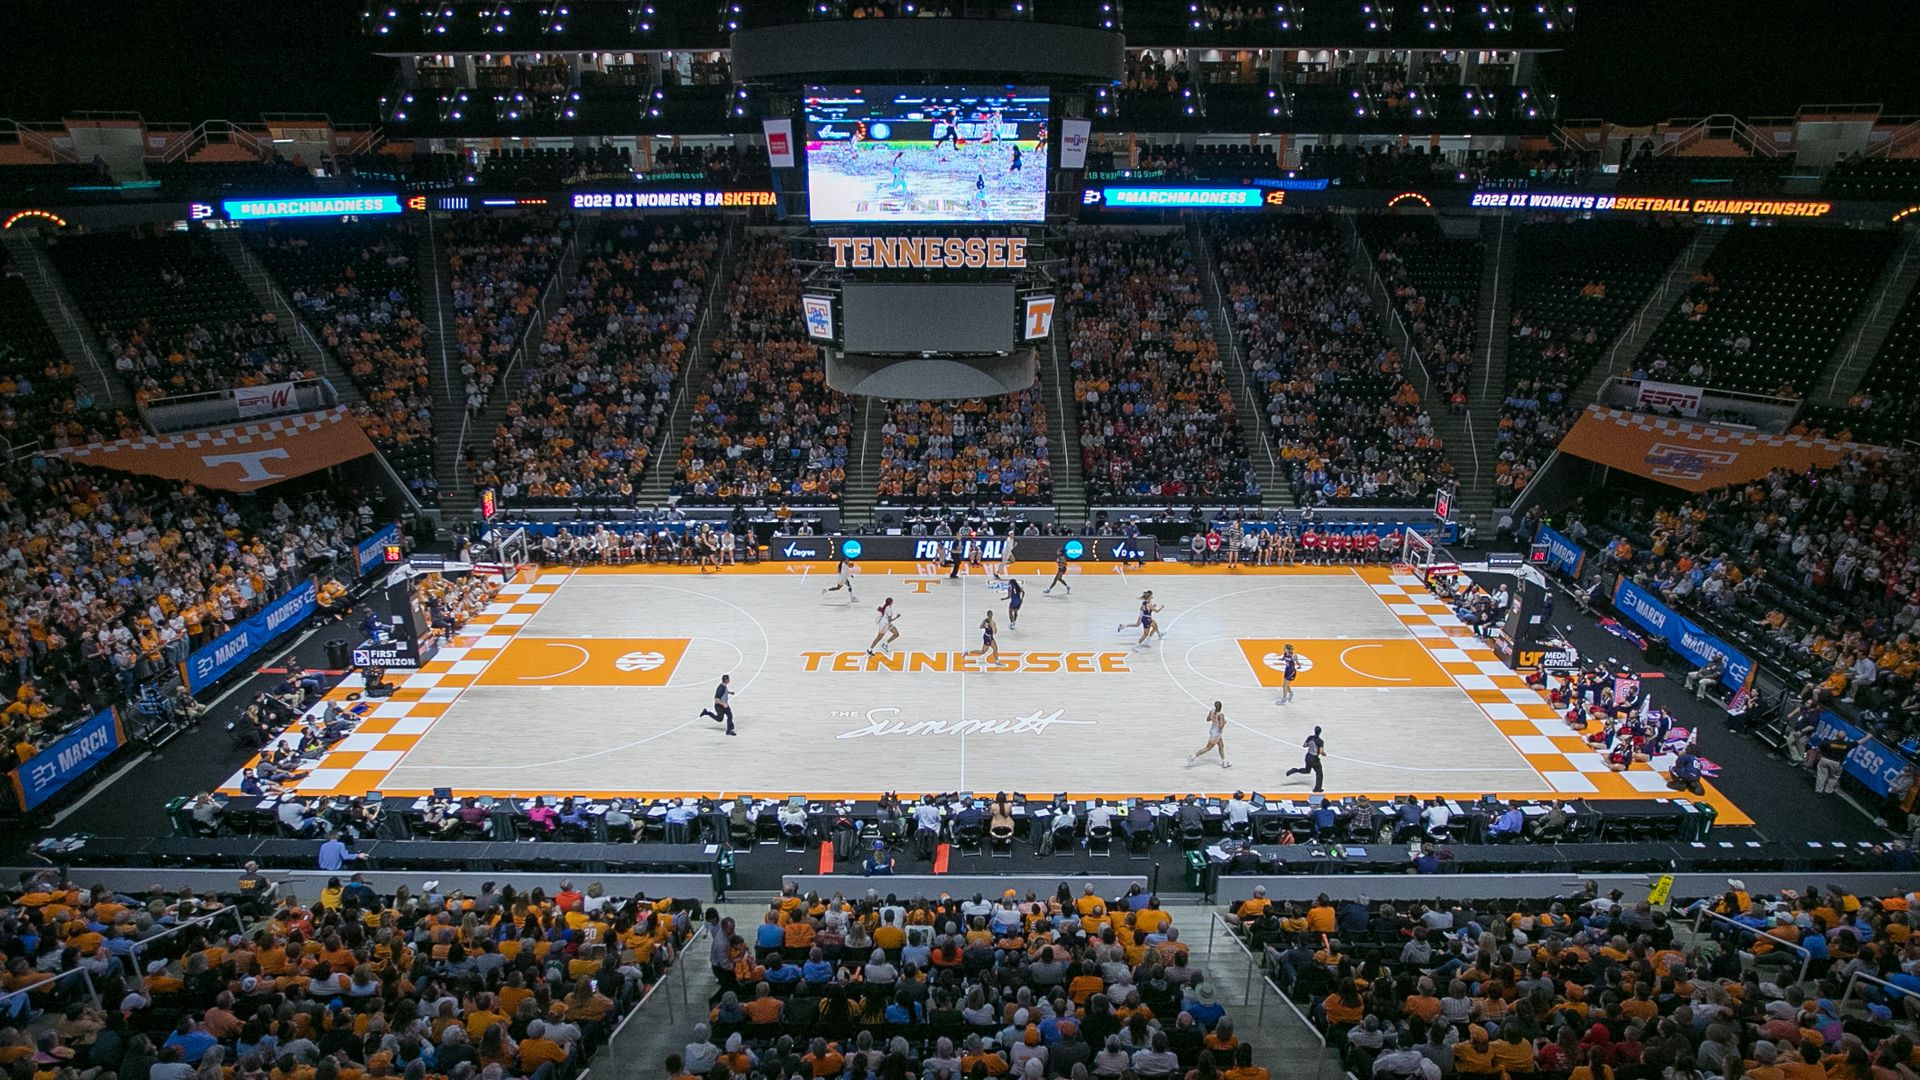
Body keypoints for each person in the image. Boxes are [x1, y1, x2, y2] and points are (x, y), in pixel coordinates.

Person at [1187, 702, 1231, 769]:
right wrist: (1224, 722)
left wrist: (1214, 719)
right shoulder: (1221, 715)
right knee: (1208, 748)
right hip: (1216, 733)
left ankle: (1224, 762)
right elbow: (1220, 727)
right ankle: (1193, 757)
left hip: (1213, 730)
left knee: (1221, 746)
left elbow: (1207, 719)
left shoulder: (1212, 711)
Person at [1286, 727, 1325, 792]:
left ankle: (1295, 770)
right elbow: (1321, 752)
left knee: (1307, 770)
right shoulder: (1320, 741)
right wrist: (1324, 754)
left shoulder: (1310, 737)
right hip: (1314, 759)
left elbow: (1304, 745)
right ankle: (1317, 788)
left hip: (1308, 756)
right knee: (1319, 773)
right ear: (1320, 732)